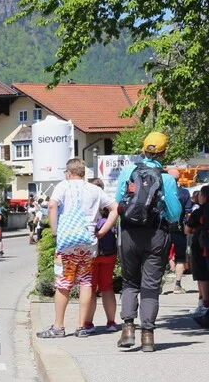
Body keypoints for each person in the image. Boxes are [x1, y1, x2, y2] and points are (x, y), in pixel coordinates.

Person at [113, 132, 183, 352]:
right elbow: (174, 214)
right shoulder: (168, 178)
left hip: (129, 234)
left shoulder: (128, 171)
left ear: (143, 150)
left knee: (130, 281)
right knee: (150, 286)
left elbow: (118, 203)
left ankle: (127, 329)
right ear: (164, 152)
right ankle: (148, 337)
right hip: (156, 236)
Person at [32, 161, 117, 337]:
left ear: (69, 172)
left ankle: (59, 327)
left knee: (64, 282)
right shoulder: (95, 190)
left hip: (67, 242)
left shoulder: (63, 186)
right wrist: (103, 230)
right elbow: (115, 208)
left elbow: (52, 205)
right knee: (86, 282)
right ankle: (81, 326)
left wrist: (55, 232)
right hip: (88, 242)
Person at [77, 178, 119, 336]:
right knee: (107, 286)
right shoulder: (108, 209)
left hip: (91, 253)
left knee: (90, 287)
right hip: (109, 252)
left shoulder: (86, 207)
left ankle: (88, 323)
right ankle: (111, 322)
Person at [165, 168, 192, 293]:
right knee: (181, 257)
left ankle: (158, 284)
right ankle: (177, 285)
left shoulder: (162, 191)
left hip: (163, 228)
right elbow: (188, 212)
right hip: (179, 227)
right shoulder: (184, 193)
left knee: (160, 256)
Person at [186, 187, 209, 322]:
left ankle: (204, 304)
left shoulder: (199, 211)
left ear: (204, 196)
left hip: (202, 246)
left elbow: (187, 229)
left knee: (202, 275)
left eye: (200, 194)